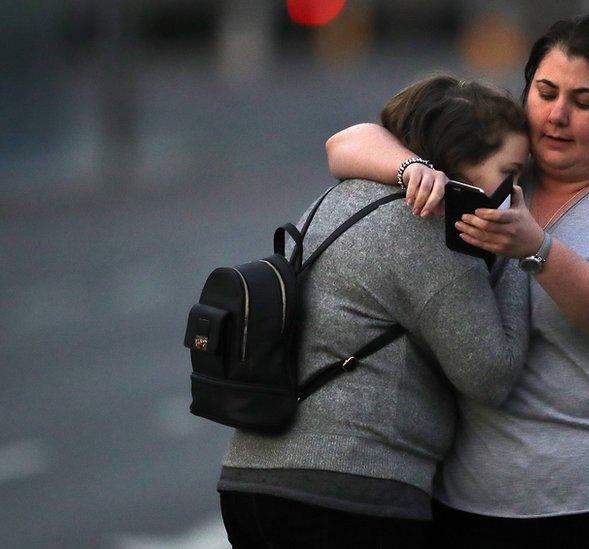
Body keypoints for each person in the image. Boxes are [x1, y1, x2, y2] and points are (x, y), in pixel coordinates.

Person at [324, 13, 589, 547]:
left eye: (584, 101)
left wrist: (538, 249)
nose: (557, 115)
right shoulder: (492, 167)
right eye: (545, 92)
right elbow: (348, 142)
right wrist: (411, 168)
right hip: (475, 504)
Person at [217, 75, 531, 548]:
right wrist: (517, 252)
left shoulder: (340, 196)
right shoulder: (428, 232)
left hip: (252, 478)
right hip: (349, 495)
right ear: (461, 164)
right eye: (510, 171)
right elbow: (491, 375)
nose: (514, 190)